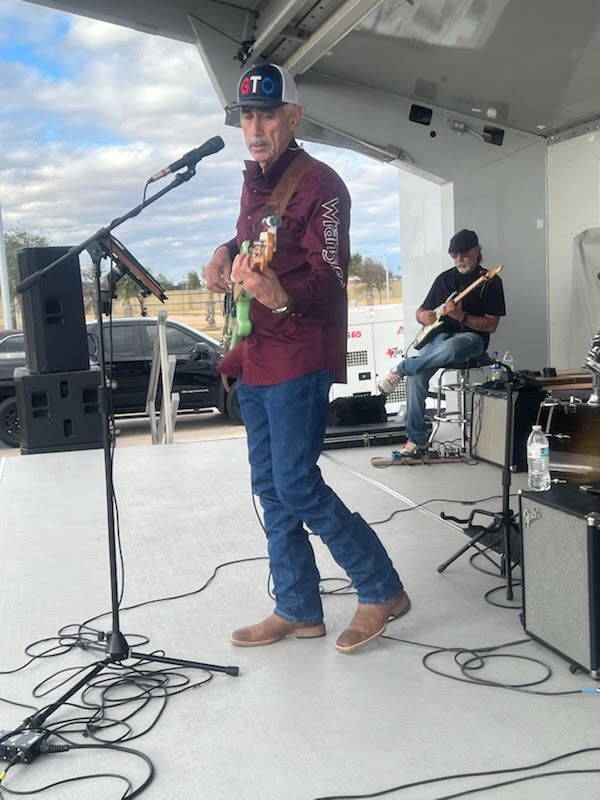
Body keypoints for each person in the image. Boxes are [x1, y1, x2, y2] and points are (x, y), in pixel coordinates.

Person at [205, 63, 409, 654]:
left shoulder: (323, 185)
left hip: (298, 355)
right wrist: (223, 250)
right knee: (270, 487)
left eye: (267, 115)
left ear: (294, 118)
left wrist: (282, 296)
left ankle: (381, 588)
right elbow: (250, 237)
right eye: (247, 116)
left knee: (295, 482)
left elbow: (332, 277)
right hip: (254, 354)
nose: (255, 128)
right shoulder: (254, 182)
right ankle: (297, 607)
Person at [379, 229, 506, 455]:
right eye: (454, 255)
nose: (459, 259)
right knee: (417, 377)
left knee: (451, 347)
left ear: (476, 251)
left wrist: (462, 317)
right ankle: (417, 440)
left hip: (472, 340)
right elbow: (421, 311)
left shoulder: (491, 281)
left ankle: (404, 366)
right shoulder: (445, 279)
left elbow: (492, 325)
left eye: (464, 254)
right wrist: (423, 316)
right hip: (439, 336)